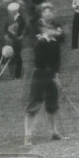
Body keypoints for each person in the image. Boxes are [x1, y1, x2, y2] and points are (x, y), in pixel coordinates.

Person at [24, 16, 65, 146]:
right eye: (51, 28)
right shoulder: (39, 43)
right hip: (40, 76)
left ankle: (54, 132)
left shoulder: (55, 43)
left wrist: (56, 77)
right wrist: (50, 73)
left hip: (51, 76)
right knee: (33, 106)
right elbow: (39, 61)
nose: (55, 30)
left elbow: (57, 61)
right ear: (45, 29)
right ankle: (27, 136)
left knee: (52, 106)